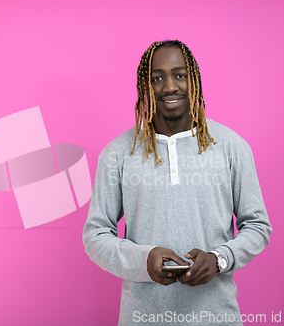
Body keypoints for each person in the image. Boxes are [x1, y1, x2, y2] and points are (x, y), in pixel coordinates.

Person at [82, 40, 272, 326]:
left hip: (216, 317)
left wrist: (220, 258)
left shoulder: (231, 147)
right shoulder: (118, 153)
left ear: (194, 80)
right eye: (157, 78)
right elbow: (95, 235)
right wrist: (143, 261)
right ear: (145, 87)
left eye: (180, 75)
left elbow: (258, 226)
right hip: (142, 318)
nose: (169, 86)